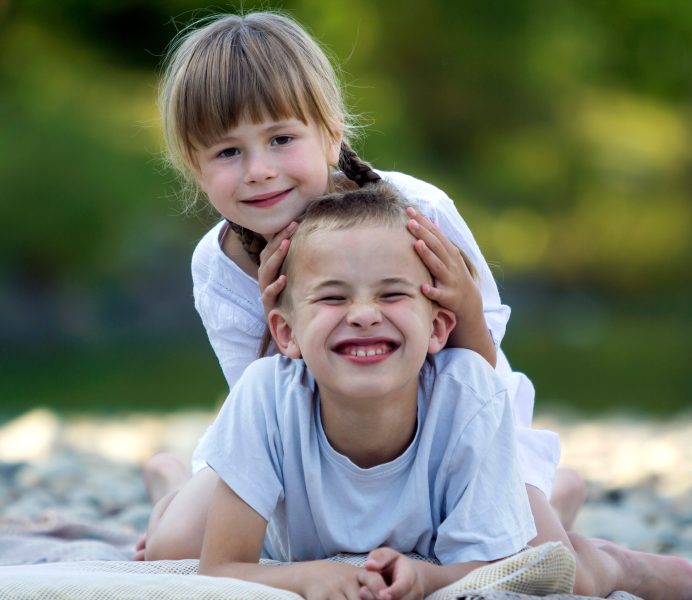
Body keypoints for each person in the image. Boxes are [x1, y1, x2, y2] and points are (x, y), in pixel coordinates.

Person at [137, 10, 583, 561]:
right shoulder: (219, 265)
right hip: (307, 447)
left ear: (330, 135)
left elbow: (480, 368)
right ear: (193, 166)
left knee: (545, 560)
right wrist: (276, 306)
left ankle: (557, 493)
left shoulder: (417, 214)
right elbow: (259, 406)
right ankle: (169, 485)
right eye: (228, 152)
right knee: (170, 549)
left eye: (280, 138)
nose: (258, 170)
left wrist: (463, 301)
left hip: (451, 432)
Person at [195, 184, 692, 599]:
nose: (365, 314)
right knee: (169, 544)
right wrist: (304, 576)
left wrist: (428, 577)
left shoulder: (466, 392)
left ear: (438, 329)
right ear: (285, 334)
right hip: (310, 531)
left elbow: (495, 569)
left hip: (454, 518)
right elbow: (221, 567)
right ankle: (165, 479)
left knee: (562, 574)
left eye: (391, 294)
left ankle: (619, 564)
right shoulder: (264, 395)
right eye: (331, 296)